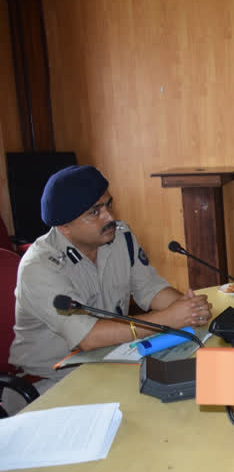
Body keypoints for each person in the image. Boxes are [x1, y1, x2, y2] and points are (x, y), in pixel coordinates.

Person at [9, 165, 212, 387]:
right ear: (64, 227)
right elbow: (89, 338)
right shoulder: (39, 268)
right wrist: (168, 319)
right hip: (53, 380)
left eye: (108, 204)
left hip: (114, 360)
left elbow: (150, 288)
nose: (110, 216)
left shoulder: (119, 237)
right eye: (94, 212)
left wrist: (189, 308)